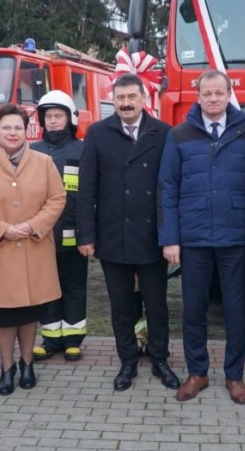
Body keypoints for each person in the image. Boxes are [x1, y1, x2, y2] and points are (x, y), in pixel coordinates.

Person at [77, 72, 180, 392]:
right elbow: (86, 189)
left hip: (152, 238)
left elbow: (170, 188)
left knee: (157, 303)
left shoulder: (164, 133)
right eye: (119, 98)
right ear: (114, 101)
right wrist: (86, 235)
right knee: (121, 305)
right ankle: (127, 361)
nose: (125, 103)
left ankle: (160, 357)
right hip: (112, 235)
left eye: (131, 97)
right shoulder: (97, 133)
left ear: (143, 99)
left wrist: (171, 236)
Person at [158, 69, 245, 405]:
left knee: (236, 309)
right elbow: (167, 187)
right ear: (198, 97)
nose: (212, 99)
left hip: (234, 237)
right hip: (194, 237)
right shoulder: (180, 135)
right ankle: (197, 372)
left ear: (229, 95)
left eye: (218, 93)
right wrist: (170, 238)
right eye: (206, 93)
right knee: (194, 309)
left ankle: (235, 375)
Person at [0, 104, 65, 395]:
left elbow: (57, 198)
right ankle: (7, 367)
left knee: (29, 313)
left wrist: (33, 225)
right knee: (3, 315)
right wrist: (1, 229)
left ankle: (27, 363)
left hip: (34, 247)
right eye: (6, 127)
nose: (12, 133)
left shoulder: (44, 162)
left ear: (26, 130)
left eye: (18, 127)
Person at [31, 91, 90, 362]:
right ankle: (51, 338)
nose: (53, 121)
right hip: (42, 234)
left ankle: (74, 339)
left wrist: (86, 232)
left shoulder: (82, 149)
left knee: (74, 284)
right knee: (46, 286)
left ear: (70, 119)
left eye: (59, 116)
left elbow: (89, 194)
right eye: (49, 116)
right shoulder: (32, 151)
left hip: (73, 232)